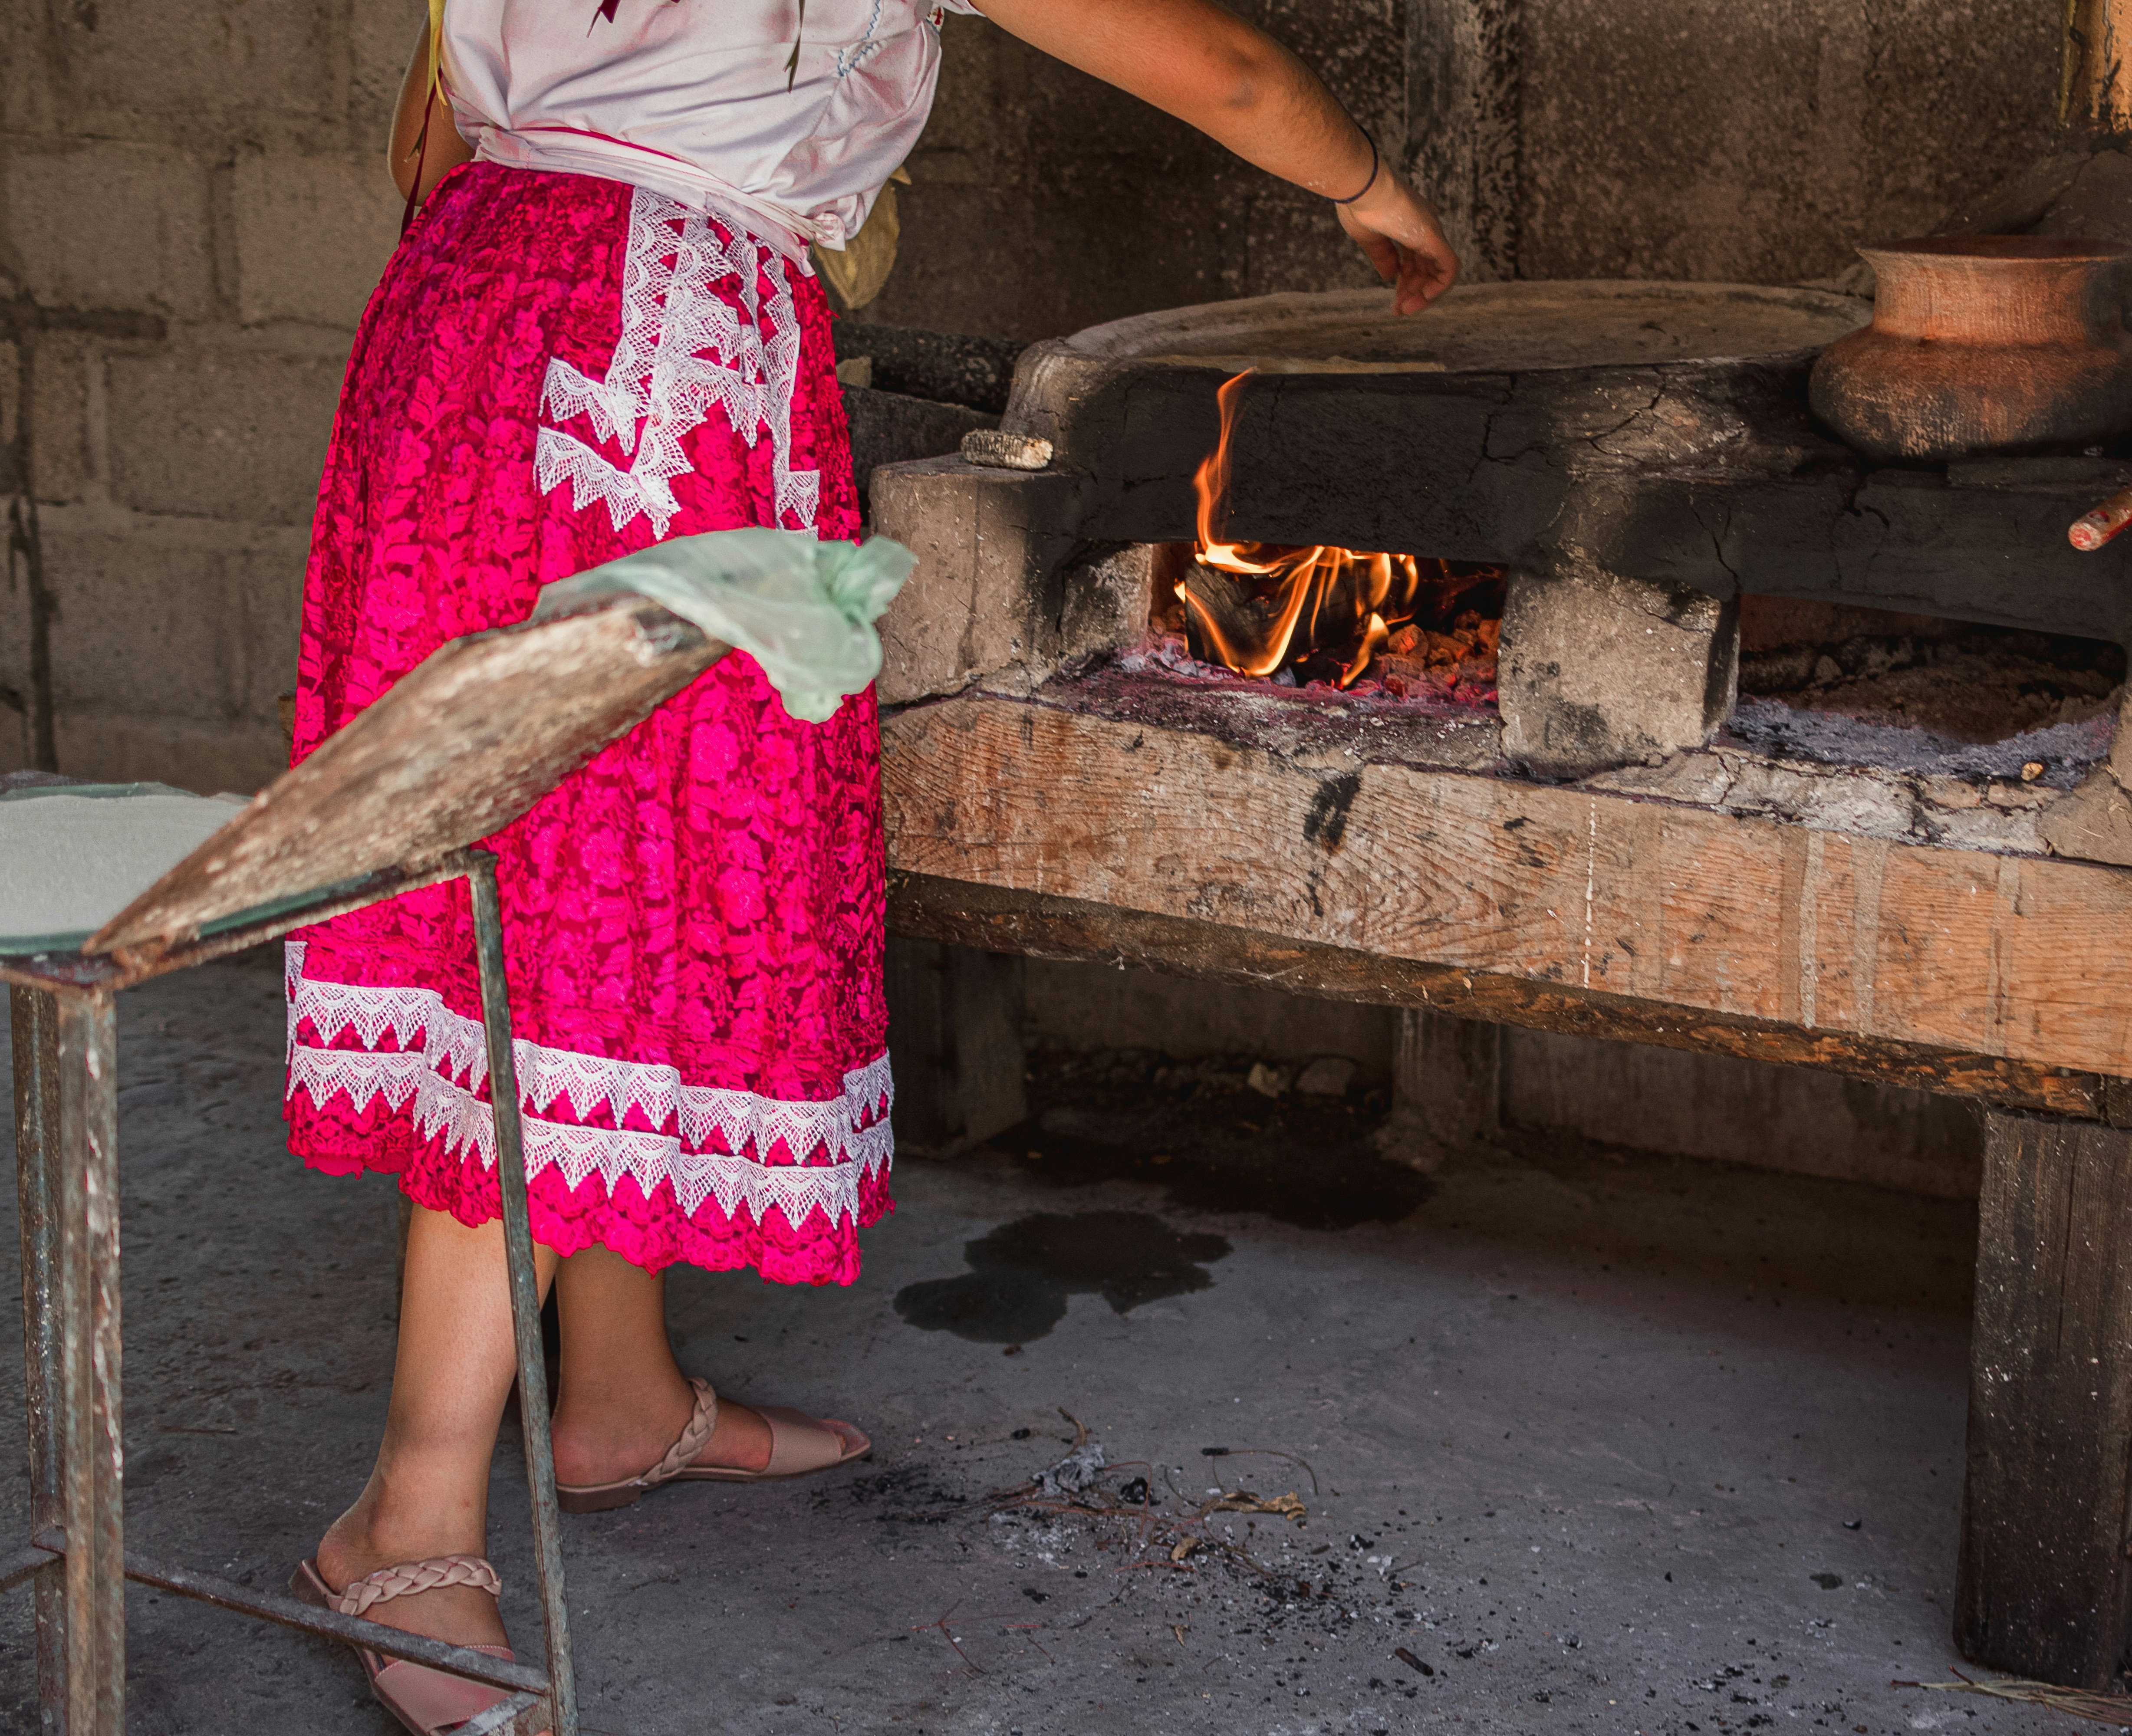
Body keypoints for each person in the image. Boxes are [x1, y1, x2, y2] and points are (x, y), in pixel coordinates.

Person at [283, 1, 1459, 1729]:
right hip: (646, 359)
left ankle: (614, 1390)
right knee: (560, 931)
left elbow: (438, 119)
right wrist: (1376, 188)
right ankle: (408, 1509)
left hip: (480, 310)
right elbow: (1220, 67)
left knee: (607, 895)